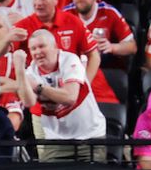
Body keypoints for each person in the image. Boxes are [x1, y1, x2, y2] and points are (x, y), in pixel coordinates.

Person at [13, 32, 106, 162]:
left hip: (89, 135)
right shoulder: (31, 71)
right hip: (55, 140)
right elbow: (28, 102)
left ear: (55, 47)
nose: (37, 52)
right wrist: (19, 70)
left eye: (41, 46)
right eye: (33, 48)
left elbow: (70, 97)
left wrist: (39, 88)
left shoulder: (70, 60)